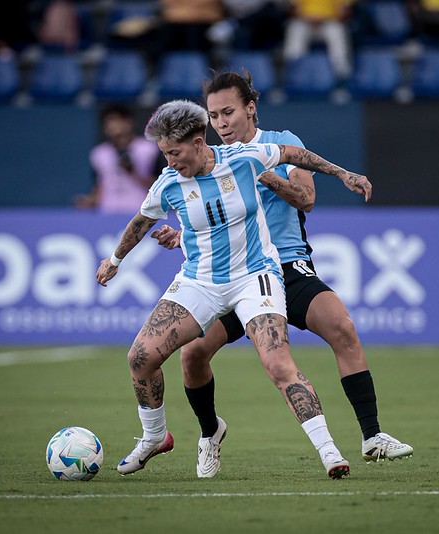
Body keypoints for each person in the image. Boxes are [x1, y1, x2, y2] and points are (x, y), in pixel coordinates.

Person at [150, 72, 413, 479]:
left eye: (228, 112)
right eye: (214, 115)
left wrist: (258, 171)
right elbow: (212, 227)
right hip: (236, 276)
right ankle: (209, 434)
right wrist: (180, 237)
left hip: (288, 266)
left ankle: (372, 437)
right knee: (192, 354)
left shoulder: (278, 142)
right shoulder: (203, 162)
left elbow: (306, 200)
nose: (220, 122)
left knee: (342, 328)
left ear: (250, 108)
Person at [96, 98, 373, 479]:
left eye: (175, 152)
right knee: (140, 358)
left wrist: (343, 174)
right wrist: (114, 260)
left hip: (254, 276)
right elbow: (140, 222)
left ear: (198, 141)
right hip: (199, 281)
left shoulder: (243, 158)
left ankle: (329, 452)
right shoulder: (168, 183)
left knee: (278, 364)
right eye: (164, 153)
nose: (170, 161)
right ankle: (155, 436)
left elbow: (296, 153)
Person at [74, 105, 161, 214]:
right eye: (108, 122)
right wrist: (89, 201)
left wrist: (132, 171)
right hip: (107, 211)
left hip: (139, 210)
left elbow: (159, 185)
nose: (112, 126)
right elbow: (99, 185)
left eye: (117, 121)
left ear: (128, 123)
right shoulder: (99, 153)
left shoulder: (149, 149)